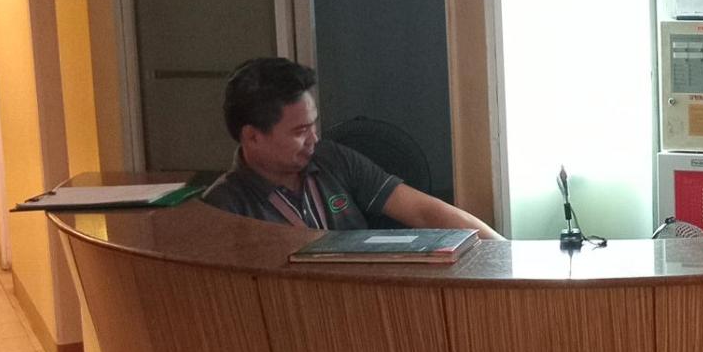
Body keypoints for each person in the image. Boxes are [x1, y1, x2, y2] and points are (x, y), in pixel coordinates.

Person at [202, 57, 503, 238]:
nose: (314, 139)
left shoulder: (331, 158)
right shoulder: (224, 207)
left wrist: (503, 255)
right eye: (300, 131)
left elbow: (423, 211)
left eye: (313, 125)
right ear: (252, 137)